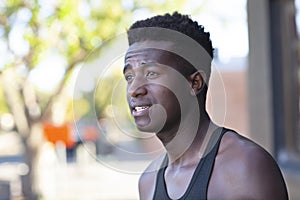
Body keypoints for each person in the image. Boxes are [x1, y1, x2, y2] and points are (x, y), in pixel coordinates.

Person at [123, 12, 288, 199]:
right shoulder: (148, 181)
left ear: (195, 83)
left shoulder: (245, 167)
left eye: (151, 74)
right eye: (129, 77)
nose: (133, 89)